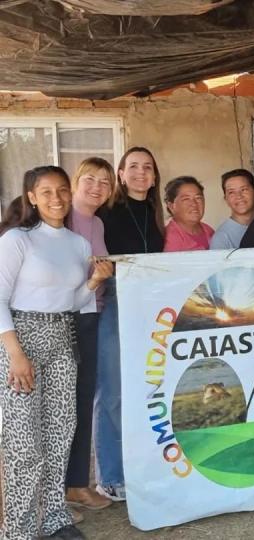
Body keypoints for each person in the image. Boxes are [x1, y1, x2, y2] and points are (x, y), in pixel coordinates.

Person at [0, 166, 113, 540]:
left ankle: (52, 519)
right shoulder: (18, 239)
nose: (56, 198)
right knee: (24, 443)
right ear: (31, 197)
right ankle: (18, 530)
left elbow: (76, 300)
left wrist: (94, 281)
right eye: (46, 192)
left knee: (60, 433)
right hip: (22, 339)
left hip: (62, 339)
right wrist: (15, 352)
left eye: (62, 190)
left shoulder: (78, 244)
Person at [95, 147, 165, 502]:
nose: (140, 173)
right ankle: (109, 475)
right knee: (111, 392)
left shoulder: (155, 213)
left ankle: (143, 465)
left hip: (149, 305)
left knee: (146, 388)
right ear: (121, 174)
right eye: (133, 167)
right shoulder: (106, 212)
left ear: (154, 177)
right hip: (115, 301)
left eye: (147, 167)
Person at [65, 158, 116, 516]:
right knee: (65, 406)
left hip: (93, 314)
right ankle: (65, 488)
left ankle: (77, 484)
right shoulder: (61, 218)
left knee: (83, 401)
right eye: (89, 179)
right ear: (75, 181)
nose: (96, 186)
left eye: (104, 181)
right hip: (66, 318)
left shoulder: (96, 222)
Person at [210, 169, 254, 249]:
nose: (239, 196)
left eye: (244, 190)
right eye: (231, 192)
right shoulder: (222, 238)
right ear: (226, 199)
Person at [163, 176, 214, 252]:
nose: (194, 204)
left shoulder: (209, 231)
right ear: (171, 206)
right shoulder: (168, 238)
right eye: (186, 199)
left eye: (198, 198)